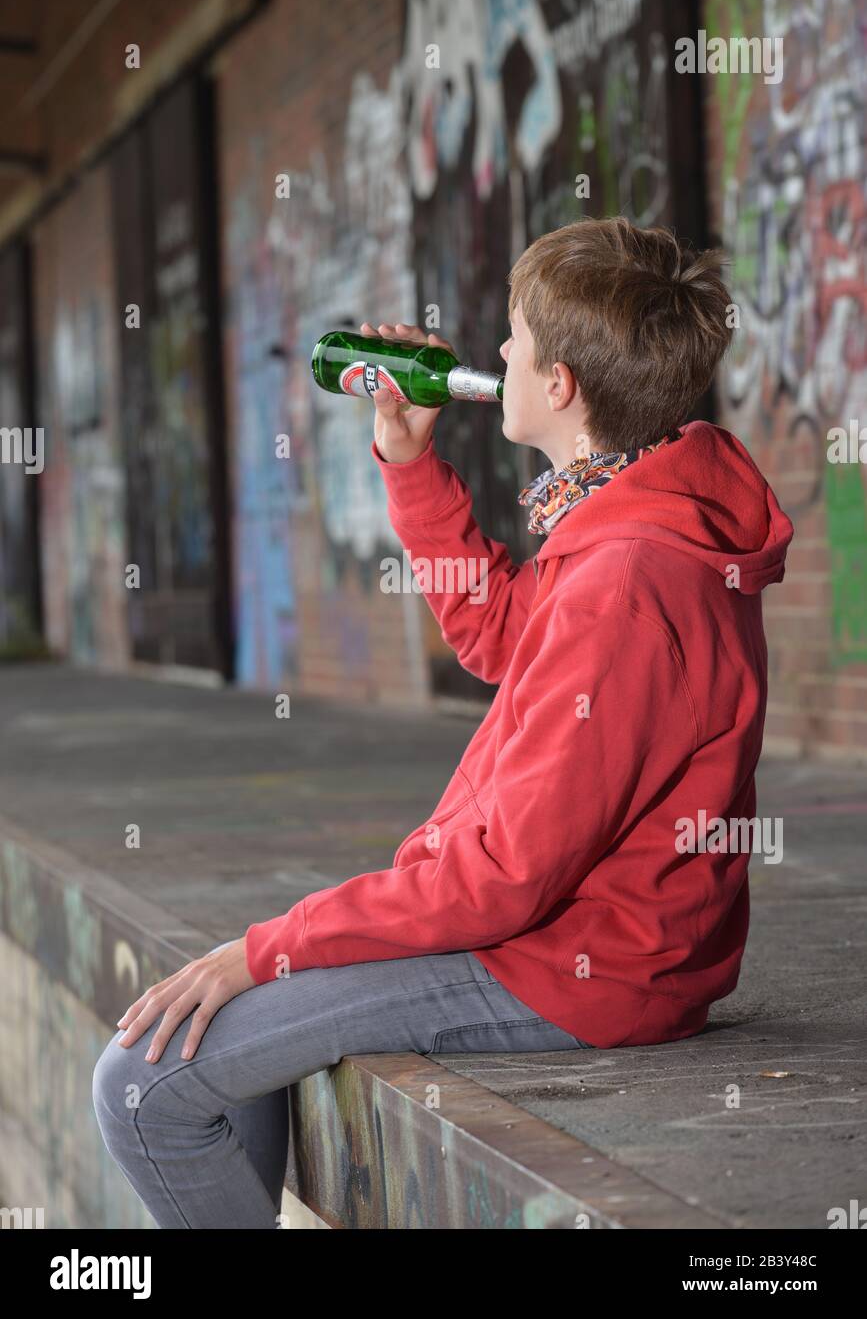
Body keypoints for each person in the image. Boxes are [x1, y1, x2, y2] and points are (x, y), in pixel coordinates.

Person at [93, 216, 793, 1228]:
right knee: (210, 1050)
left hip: (568, 963)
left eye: (514, 336)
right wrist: (411, 464)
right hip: (576, 935)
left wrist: (264, 948)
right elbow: (509, 640)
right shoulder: (632, 516)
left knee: (141, 1084)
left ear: (559, 385)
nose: (496, 352)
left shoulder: (629, 571)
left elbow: (502, 877)